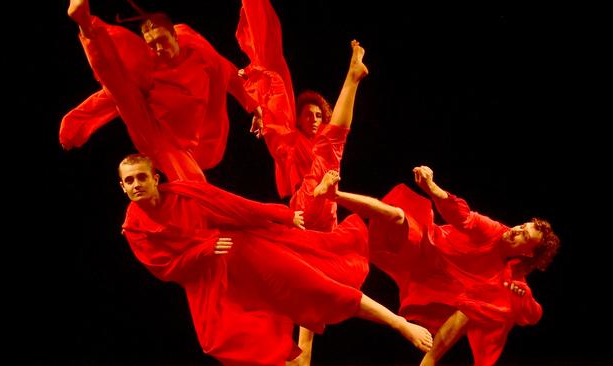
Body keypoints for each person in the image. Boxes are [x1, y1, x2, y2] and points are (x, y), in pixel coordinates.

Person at [116, 153, 433, 365]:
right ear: (122, 186)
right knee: (220, 341)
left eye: (141, 178)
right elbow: (166, 269)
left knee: (318, 285)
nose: (135, 185)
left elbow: (235, 206)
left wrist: (281, 215)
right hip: (210, 281)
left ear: (155, 178)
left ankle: (399, 323)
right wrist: (204, 249)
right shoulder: (134, 228)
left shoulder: (185, 194)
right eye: (129, 181)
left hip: (247, 251)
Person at [314, 166, 560, 366]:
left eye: (524, 236)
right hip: (426, 246)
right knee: (398, 215)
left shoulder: (512, 275)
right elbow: (462, 216)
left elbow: (532, 314)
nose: (517, 230)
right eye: (522, 226)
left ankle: (428, 362)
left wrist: (522, 297)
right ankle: (333, 194)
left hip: (433, 284)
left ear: (528, 251)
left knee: (477, 308)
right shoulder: (495, 231)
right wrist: (432, 188)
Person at [236, 1, 368, 362]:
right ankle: (352, 78)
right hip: (299, 208)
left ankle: (302, 355)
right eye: (306, 114)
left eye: (317, 114)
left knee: (313, 286)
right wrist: (257, 104)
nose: (311, 118)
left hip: (322, 216)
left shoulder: (321, 142)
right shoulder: (291, 141)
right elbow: (276, 116)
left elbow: (330, 137)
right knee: (330, 149)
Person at [63, 0, 262, 181]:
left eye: (162, 41)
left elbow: (227, 71)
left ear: (175, 35)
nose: (158, 49)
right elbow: (112, 95)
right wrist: (75, 124)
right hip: (165, 139)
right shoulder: (148, 66)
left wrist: (256, 107)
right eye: (152, 45)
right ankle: (87, 27)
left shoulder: (197, 49)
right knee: (121, 81)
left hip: (207, 141)